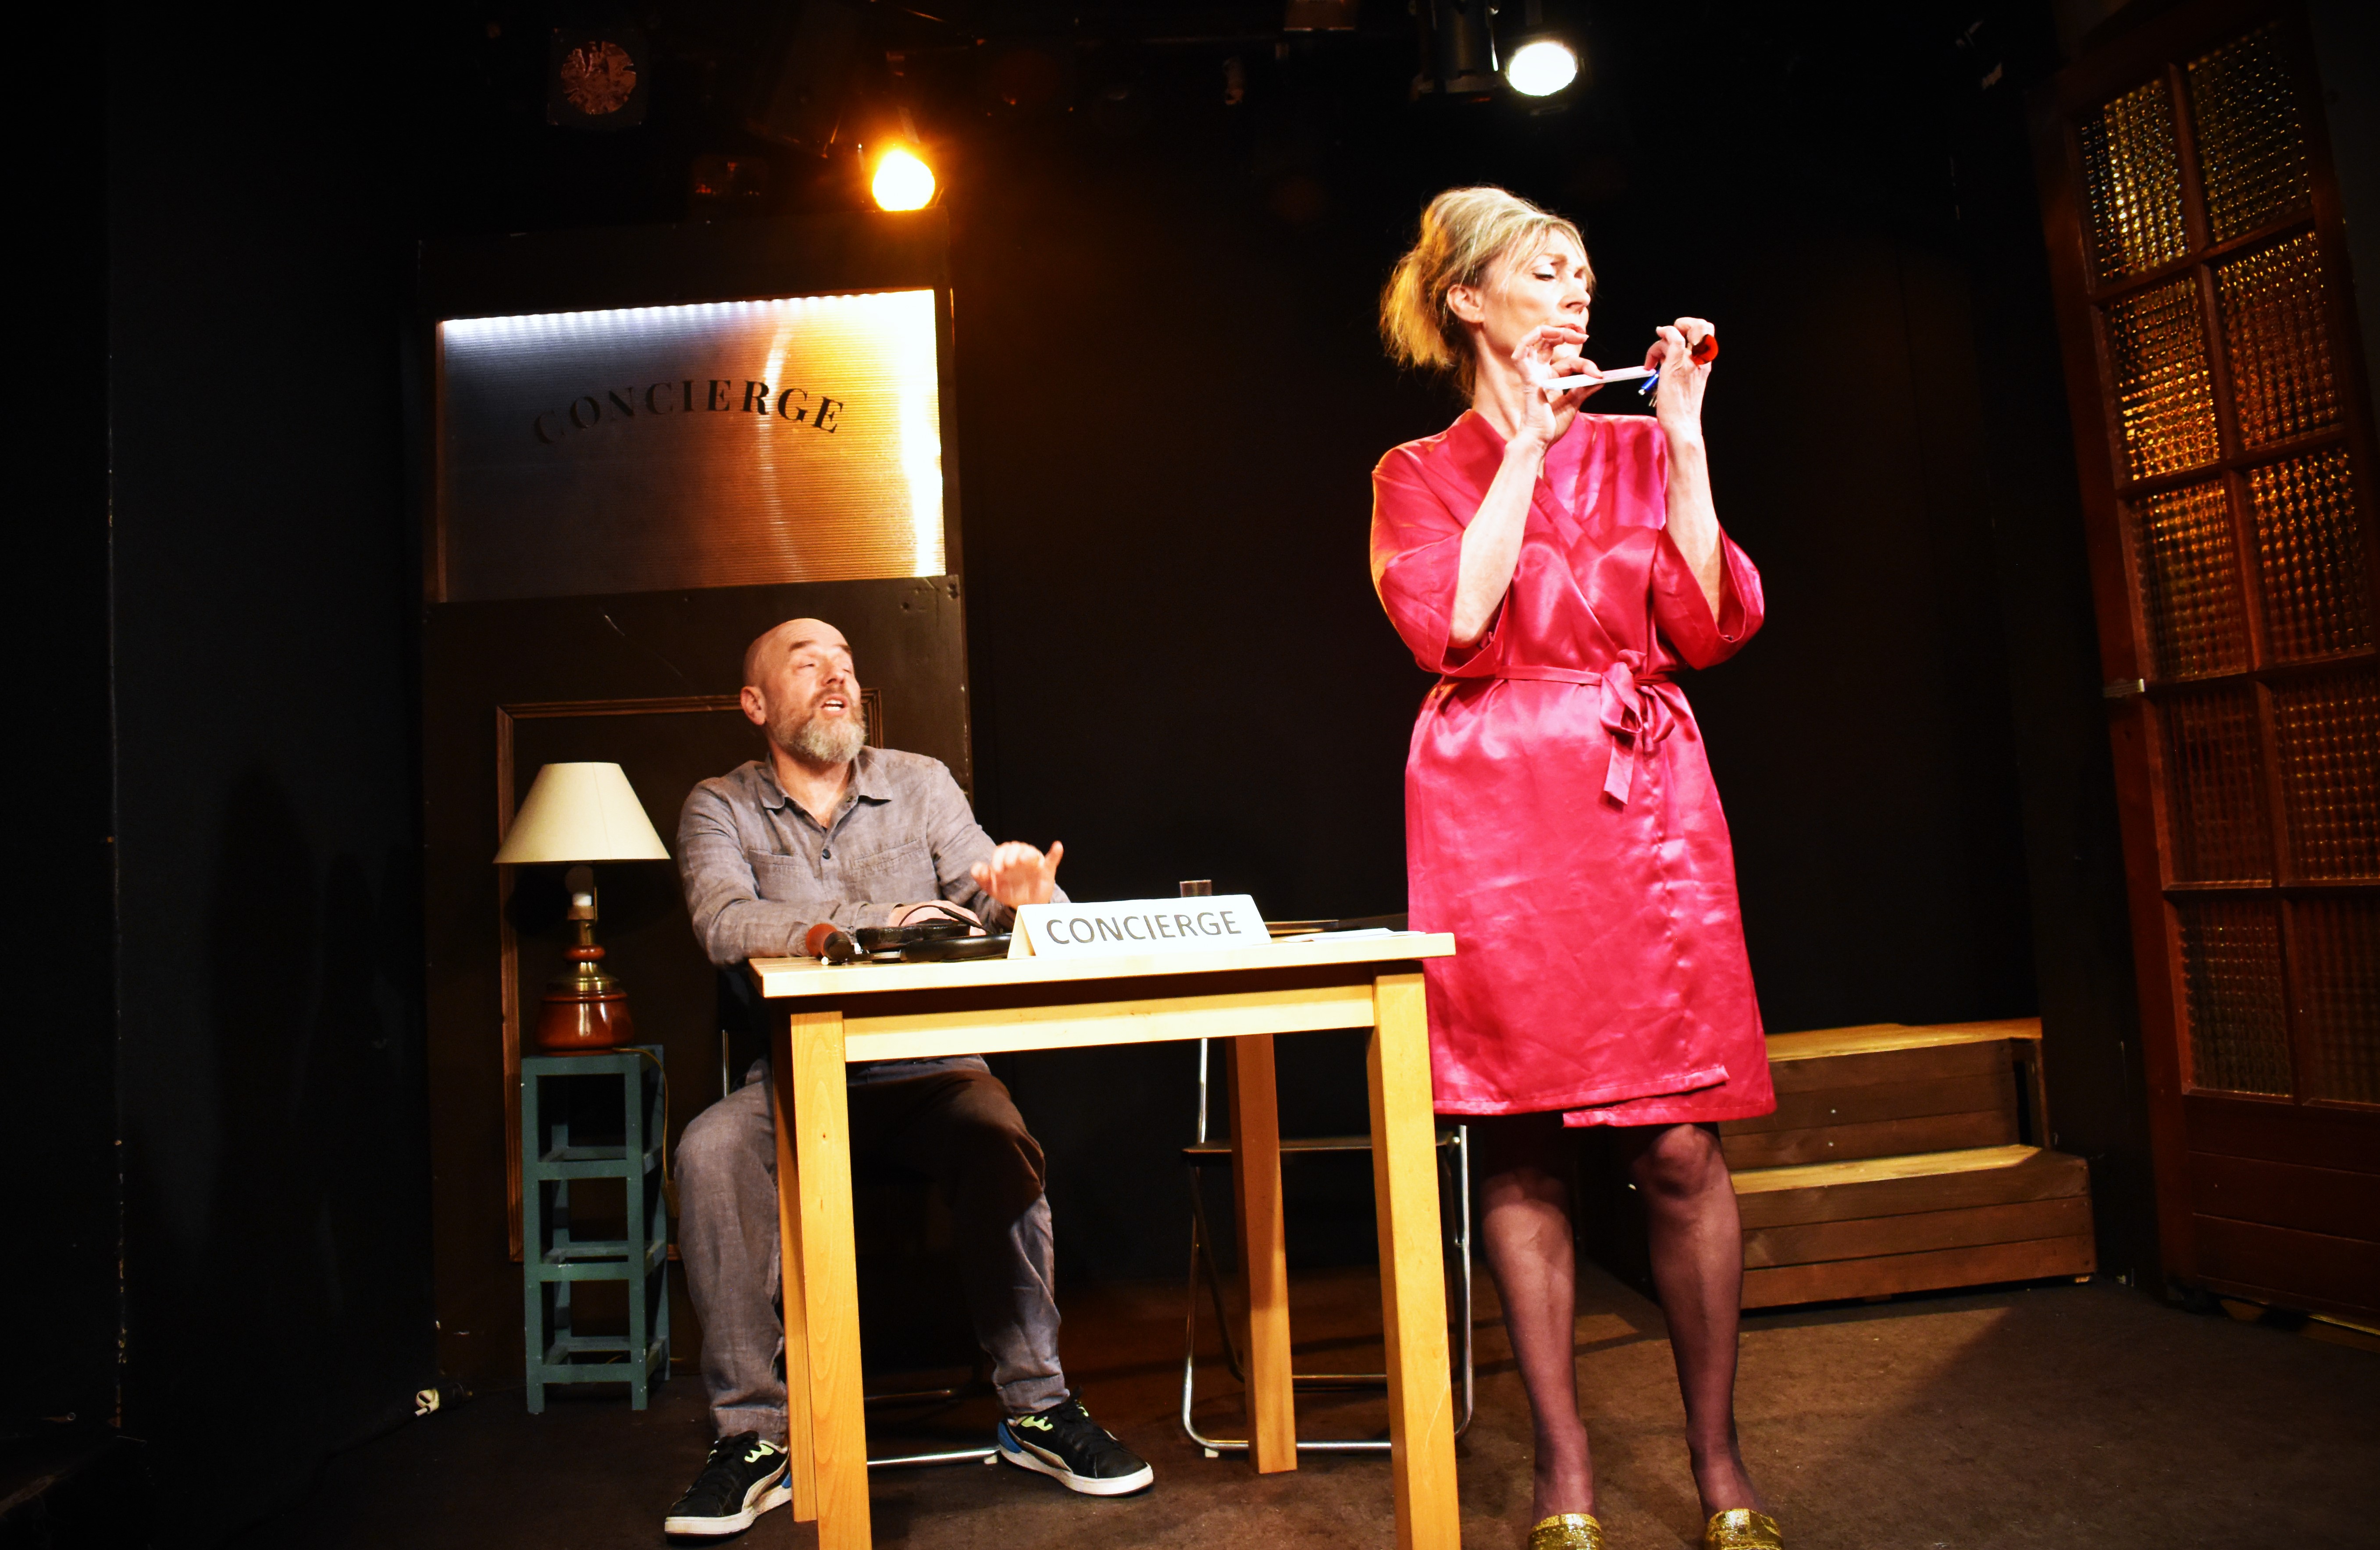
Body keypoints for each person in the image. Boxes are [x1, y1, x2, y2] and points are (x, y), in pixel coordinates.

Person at [1368, 187, 1781, 1550]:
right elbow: (1453, 625)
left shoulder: (1635, 444)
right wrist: (1525, 454)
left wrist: (1683, 442)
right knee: (1521, 1143)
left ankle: (1718, 1463)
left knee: (1680, 1145)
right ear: (1465, 298)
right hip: (1496, 815)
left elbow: (1709, 624)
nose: (1575, 291)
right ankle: (1564, 1466)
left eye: (1583, 273)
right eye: (1546, 270)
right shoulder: (1414, 471)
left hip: (1644, 804)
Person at [660, 617, 1153, 1536]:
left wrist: (1026, 898)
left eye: (846, 665)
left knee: (998, 1137)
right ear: (755, 703)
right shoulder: (719, 804)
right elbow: (725, 920)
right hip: (795, 1078)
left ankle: (1037, 1407)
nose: (836, 677)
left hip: (932, 1071)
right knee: (708, 1151)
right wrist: (867, 925)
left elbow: (994, 901)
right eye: (808, 665)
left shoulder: (920, 782)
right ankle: (751, 1437)